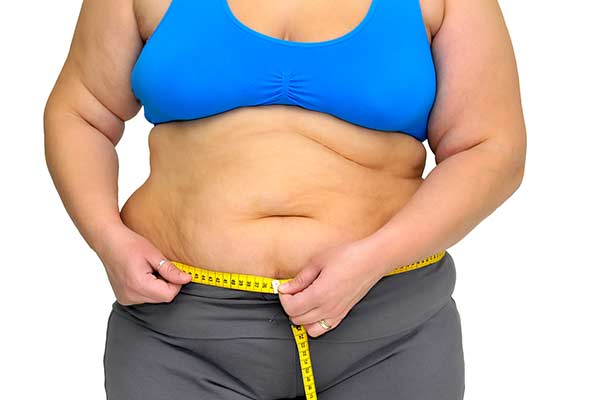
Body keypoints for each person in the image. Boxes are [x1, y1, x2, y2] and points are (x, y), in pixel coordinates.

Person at [43, 0, 526, 399]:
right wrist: (107, 238)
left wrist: (376, 257)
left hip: (387, 328)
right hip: (180, 328)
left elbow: (489, 149)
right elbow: (82, 113)